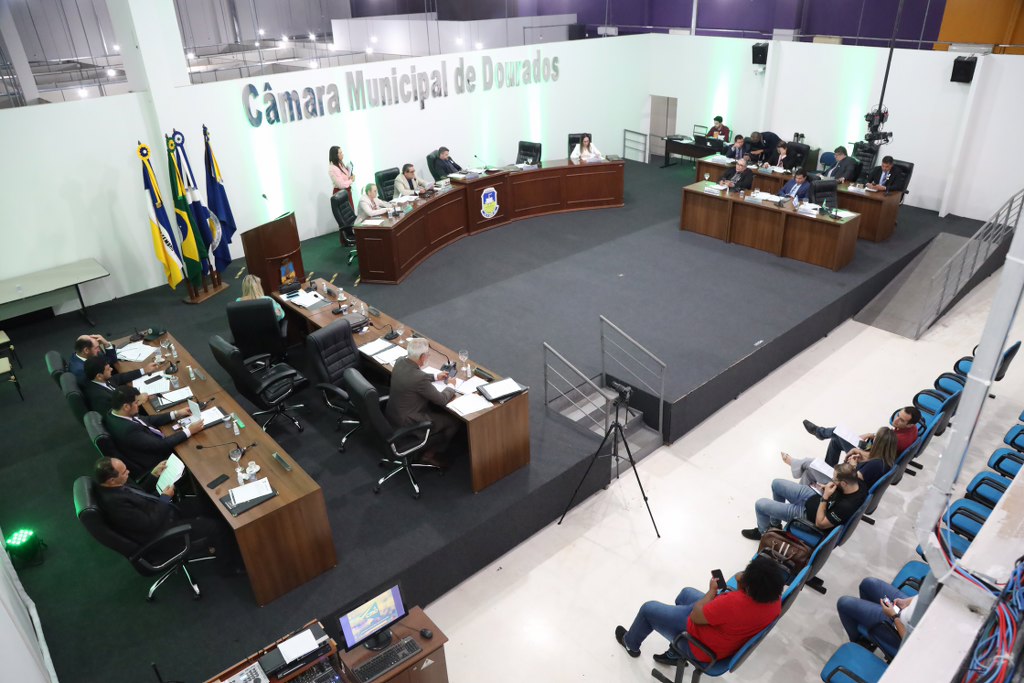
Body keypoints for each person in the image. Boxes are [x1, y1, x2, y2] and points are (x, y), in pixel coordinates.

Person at [614, 557, 784, 665]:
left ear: (749, 588)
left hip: (701, 646)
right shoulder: (775, 601)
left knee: (648, 609)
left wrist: (711, 591)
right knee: (686, 593)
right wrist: (743, 584)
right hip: (726, 637)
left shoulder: (734, 602)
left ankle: (631, 644)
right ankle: (674, 651)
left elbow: (696, 616)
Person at [93, 456, 234, 566]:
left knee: (207, 503)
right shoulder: (115, 505)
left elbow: (139, 494)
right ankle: (229, 567)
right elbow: (150, 524)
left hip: (163, 512)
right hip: (163, 531)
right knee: (216, 527)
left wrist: (153, 475)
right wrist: (165, 498)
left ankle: (219, 543)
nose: (128, 472)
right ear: (111, 480)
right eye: (124, 472)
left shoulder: (115, 486)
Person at [384, 337, 461, 466]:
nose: (428, 357)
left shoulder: (400, 361)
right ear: (423, 357)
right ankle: (429, 455)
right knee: (454, 422)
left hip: (393, 414)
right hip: (409, 422)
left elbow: (413, 376)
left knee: (433, 409)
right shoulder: (419, 379)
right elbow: (442, 400)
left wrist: (435, 377)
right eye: (428, 355)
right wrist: (451, 385)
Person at [742, 462, 867, 540]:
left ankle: (764, 534)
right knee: (776, 484)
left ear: (844, 483)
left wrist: (825, 497)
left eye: (835, 480)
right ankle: (775, 526)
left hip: (807, 517)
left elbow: (820, 524)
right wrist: (827, 489)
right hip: (813, 499)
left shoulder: (846, 506)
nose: (832, 481)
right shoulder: (858, 483)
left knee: (760, 505)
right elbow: (843, 486)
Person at [104, 387, 205, 471]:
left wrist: (176, 413)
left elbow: (146, 419)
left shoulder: (114, 412)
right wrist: (189, 431)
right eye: (136, 402)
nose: (138, 405)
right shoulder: (128, 430)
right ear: (126, 407)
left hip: (151, 441)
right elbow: (161, 445)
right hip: (158, 459)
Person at [783, 426, 898, 489]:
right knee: (808, 472)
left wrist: (852, 465)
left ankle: (794, 463)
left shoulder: (875, 465)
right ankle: (798, 494)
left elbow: (852, 480)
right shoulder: (885, 460)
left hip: (843, 485)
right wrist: (859, 454)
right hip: (847, 482)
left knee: (810, 463)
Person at [803, 406, 921, 467]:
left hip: (872, 457)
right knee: (836, 440)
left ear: (910, 424)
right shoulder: (913, 428)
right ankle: (828, 468)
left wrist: (858, 450)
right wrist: (871, 435)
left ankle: (820, 433)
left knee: (838, 433)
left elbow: (876, 456)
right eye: (898, 415)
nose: (896, 420)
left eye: (901, 420)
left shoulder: (898, 440)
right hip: (878, 448)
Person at [837, 576, 916, 654]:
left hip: (901, 630)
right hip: (910, 606)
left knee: (844, 603)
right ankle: (867, 627)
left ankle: (861, 641)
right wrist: (906, 602)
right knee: (868, 583)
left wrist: (894, 616)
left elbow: (911, 642)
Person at [82, 356, 150, 412]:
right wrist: (137, 401)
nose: (111, 369)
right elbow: (116, 414)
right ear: (99, 376)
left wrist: (144, 370)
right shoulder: (100, 397)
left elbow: (121, 377)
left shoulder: (100, 380)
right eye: (108, 369)